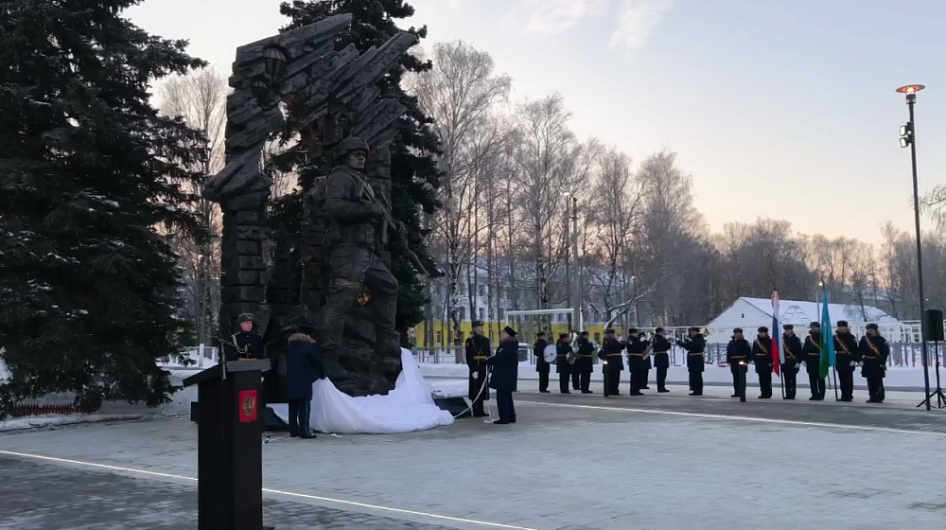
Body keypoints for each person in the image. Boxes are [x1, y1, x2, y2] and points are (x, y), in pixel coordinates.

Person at [321, 137, 400, 366]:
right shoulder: (340, 177)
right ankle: (328, 357)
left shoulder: (361, 181)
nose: (360, 158)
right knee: (341, 300)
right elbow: (336, 207)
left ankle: (384, 346)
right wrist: (368, 210)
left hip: (364, 251)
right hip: (347, 249)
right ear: (345, 156)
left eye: (363, 156)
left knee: (389, 286)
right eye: (356, 154)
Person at [286, 332, 325, 439]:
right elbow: (317, 362)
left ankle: (293, 431)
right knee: (304, 407)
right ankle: (304, 431)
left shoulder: (290, 349)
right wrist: (322, 375)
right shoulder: (309, 347)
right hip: (304, 380)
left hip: (291, 380)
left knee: (293, 407)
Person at [488, 326, 520, 424]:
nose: (500, 335)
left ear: (507, 335)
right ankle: (511, 416)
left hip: (503, 375)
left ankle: (504, 418)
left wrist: (488, 361)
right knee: (507, 396)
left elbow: (499, 359)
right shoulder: (512, 345)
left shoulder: (506, 346)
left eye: (502, 333)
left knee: (502, 397)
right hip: (508, 375)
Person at [465, 320, 492, 417]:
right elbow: (469, 357)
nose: (481, 328)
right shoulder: (470, 340)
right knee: (475, 388)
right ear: (474, 328)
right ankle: (475, 409)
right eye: (478, 327)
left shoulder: (486, 340)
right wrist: (473, 369)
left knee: (483, 388)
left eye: (481, 326)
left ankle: (481, 409)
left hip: (483, 366)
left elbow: (488, 354)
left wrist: (489, 367)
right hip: (475, 367)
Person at [858, 323, 889, 403]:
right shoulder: (864, 339)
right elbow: (860, 350)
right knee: (870, 380)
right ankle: (872, 396)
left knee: (878, 381)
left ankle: (880, 397)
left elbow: (885, 352)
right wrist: (860, 360)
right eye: (868, 329)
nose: (870, 330)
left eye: (871, 329)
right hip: (868, 362)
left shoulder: (881, 339)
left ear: (875, 330)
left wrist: (882, 362)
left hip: (877, 362)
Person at [676, 327, 706, 396]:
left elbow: (689, 346)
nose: (691, 334)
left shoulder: (699, 339)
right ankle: (695, 389)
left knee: (697, 375)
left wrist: (680, 342)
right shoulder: (696, 339)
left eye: (693, 332)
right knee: (693, 374)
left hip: (697, 359)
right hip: (693, 358)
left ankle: (698, 390)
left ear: (697, 332)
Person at [833, 320, 858, 402]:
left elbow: (855, 349)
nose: (840, 328)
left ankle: (849, 395)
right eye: (839, 326)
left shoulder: (850, 337)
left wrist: (854, 359)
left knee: (848, 378)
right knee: (841, 378)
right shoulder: (835, 337)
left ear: (846, 327)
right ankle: (843, 395)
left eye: (842, 327)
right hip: (839, 358)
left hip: (848, 358)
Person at [802, 322, 826, 400]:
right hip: (810, 360)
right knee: (812, 378)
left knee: (820, 378)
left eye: (815, 327)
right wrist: (804, 359)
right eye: (812, 327)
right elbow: (805, 349)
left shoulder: (823, 337)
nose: (813, 329)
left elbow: (826, 349)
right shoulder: (808, 338)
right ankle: (814, 393)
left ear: (819, 328)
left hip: (819, 360)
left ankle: (821, 394)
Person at [726, 328, 751, 399]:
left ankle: (742, 392)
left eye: (738, 333)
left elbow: (748, 352)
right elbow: (729, 352)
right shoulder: (731, 342)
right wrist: (728, 360)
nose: (736, 334)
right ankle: (736, 392)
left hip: (742, 360)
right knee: (735, 377)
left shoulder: (745, 342)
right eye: (735, 333)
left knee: (742, 378)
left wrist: (747, 360)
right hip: (734, 361)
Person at [751, 326, 774, 399]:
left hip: (767, 361)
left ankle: (768, 392)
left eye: (763, 333)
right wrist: (752, 359)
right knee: (761, 378)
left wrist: (771, 361)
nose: (761, 334)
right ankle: (763, 392)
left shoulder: (770, 341)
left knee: (767, 378)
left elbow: (772, 352)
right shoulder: (756, 341)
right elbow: (754, 351)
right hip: (759, 361)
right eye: (760, 332)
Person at [600, 328, 624, 396]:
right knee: (610, 376)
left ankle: (615, 389)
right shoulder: (606, 341)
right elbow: (610, 346)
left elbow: (621, 347)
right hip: (611, 360)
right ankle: (610, 390)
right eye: (611, 334)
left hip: (617, 360)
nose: (613, 335)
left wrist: (622, 342)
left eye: (613, 334)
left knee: (616, 376)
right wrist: (615, 340)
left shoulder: (615, 340)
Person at [781, 324, 801, 400]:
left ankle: (792, 394)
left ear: (791, 330)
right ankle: (787, 393)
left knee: (792, 379)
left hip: (793, 361)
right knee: (786, 379)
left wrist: (798, 362)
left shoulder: (796, 339)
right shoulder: (782, 340)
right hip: (785, 361)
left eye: (788, 330)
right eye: (786, 330)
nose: (787, 331)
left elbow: (799, 351)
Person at [651, 328, 672, 393]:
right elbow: (658, 346)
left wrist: (668, 343)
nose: (664, 333)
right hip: (659, 356)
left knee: (663, 373)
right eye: (663, 332)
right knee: (660, 373)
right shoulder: (656, 338)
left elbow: (667, 346)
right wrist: (666, 343)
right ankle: (660, 387)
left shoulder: (663, 338)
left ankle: (662, 386)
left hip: (664, 355)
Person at [625, 329, 645, 395]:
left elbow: (642, 348)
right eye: (636, 333)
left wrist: (644, 343)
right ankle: (633, 390)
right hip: (634, 357)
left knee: (639, 374)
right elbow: (633, 348)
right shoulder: (630, 340)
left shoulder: (636, 339)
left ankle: (637, 389)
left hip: (639, 357)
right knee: (634, 374)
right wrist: (640, 343)